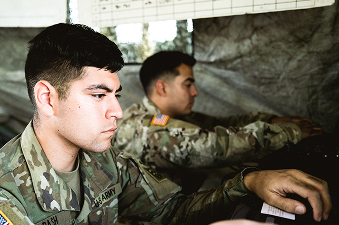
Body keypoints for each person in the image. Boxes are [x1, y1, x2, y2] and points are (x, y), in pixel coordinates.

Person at [0, 23, 336, 225]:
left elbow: (173, 213)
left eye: (116, 94)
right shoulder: (6, 195)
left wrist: (248, 183)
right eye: (99, 95)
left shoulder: (105, 164)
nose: (117, 111)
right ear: (47, 98)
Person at [112, 51, 323, 192]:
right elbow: (210, 146)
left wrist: (272, 120)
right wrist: (288, 132)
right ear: (162, 87)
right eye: (188, 84)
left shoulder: (172, 118)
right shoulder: (142, 127)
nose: (195, 92)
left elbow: (220, 124)